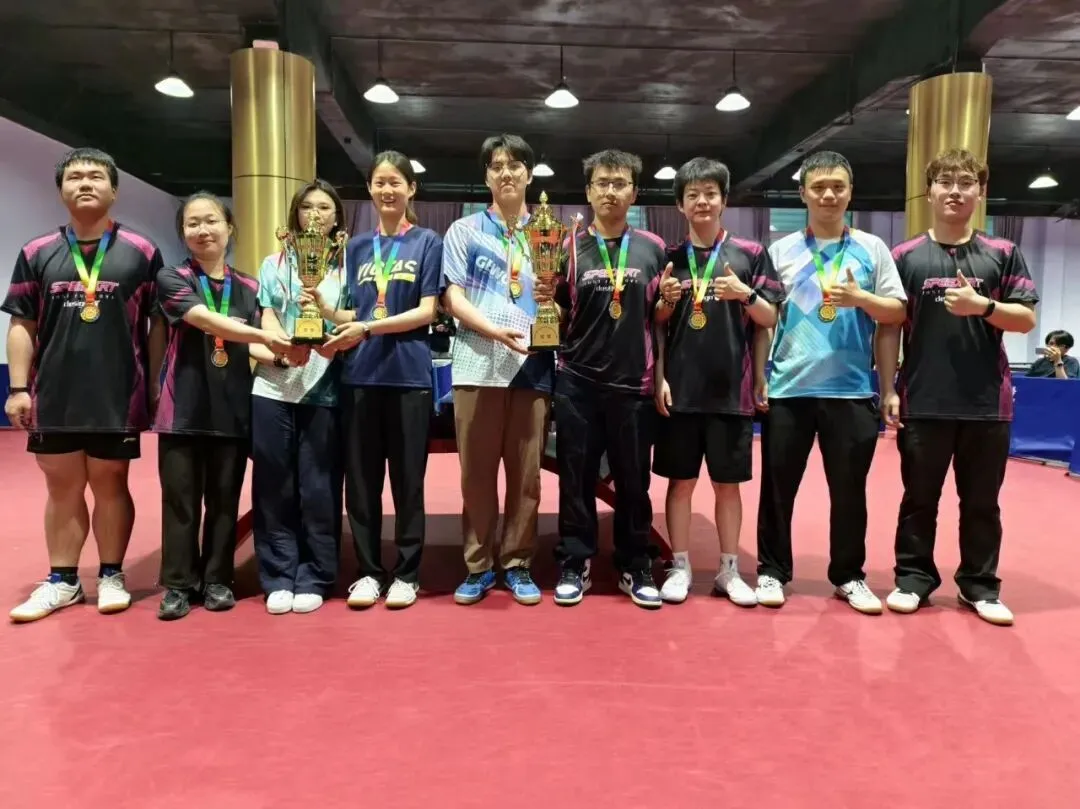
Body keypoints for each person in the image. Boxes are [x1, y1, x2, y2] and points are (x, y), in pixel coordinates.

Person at [876, 147, 1039, 627]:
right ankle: (913, 579)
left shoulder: (1002, 253)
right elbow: (889, 326)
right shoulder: (904, 256)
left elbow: (1026, 318)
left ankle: (979, 586)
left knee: (982, 503)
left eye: (965, 183)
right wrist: (888, 388)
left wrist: (983, 307)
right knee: (918, 500)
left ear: (980, 193)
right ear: (929, 192)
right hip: (923, 399)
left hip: (987, 403)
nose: (954, 191)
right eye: (945, 182)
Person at [4, 147, 165, 623]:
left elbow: (157, 324)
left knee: (111, 483)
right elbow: (22, 323)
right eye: (74, 177)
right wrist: (18, 388)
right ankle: (63, 580)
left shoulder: (141, 251)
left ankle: (112, 574)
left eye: (96, 176)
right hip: (54, 393)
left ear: (114, 190)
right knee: (62, 487)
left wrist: (156, 386)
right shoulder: (36, 252)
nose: (85, 183)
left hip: (119, 392)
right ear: (61, 191)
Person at [754, 150, 906, 614]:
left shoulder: (872, 249)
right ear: (803, 193)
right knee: (777, 490)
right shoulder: (779, 251)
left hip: (852, 390)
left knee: (849, 493)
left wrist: (862, 300)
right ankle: (771, 571)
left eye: (837, 186)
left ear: (850, 192)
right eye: (819, 187)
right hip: (789, 389)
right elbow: (765, 320)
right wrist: (760, 375)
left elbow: (896, 314)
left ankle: (849, 576)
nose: (828, 195)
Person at [539, 148, 681, 609]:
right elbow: (562, 315)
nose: (610, 191)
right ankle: (574, 560)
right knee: (575, 479)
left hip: (633, 383)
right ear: (588, 191)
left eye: (620, 183)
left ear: (634, 193)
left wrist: (669, 301)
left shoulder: (653, 247)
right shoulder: (568, 246)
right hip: (577, 381)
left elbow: (657, 318)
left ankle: (634, 564)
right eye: (602, 183)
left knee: (633, 482)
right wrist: (545, 299)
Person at [154, 193, 292, 620]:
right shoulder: (172, 277)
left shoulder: (249, 287)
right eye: (193, 223)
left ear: (229, 227)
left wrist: (288, 356)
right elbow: (204, 319)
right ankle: (178, 584)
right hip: (182, 410)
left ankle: (217, 579)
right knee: (180, 502)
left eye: (211, 221)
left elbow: (258, 347)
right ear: (183, 232)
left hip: (232, 410)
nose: (203, 230)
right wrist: (265, 337)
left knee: (224, 501)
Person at [652, 157, 784, 606]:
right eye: (693, 194)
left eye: (710, 193)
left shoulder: (750, 254)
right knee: (681, 483)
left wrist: (745, 295)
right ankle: (680, 565)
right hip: (680, 391)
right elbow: (657, 324)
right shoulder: (670, 258)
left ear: (724, 200)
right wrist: (660, 371)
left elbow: (769, 318)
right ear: (680, 204)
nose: (702, 201)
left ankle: (729, 569)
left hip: (732, 391)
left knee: (728, 485)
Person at [314, 150, 441, 610]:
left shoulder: (427, 242)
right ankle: (368, 572)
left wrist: (367, 328)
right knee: (362, 483)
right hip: (360, 377)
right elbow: (357, 312)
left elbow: (427, 311)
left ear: (411, 188)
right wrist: (324, 309)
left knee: (408, 483)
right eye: (379, 182)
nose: (388, 190)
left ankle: (407, 573)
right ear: (370, 189)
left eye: (395, 182)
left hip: (408, 377)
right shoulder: (356, 248)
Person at [440, 134, 555, 606]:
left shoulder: (550, 232)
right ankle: (479, 565)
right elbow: (452, 296)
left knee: (526, 476)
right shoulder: (463, 231)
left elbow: (561, 299)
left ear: (530, 173)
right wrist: (492, 330)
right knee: (477, 474)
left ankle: (518, 562)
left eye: (514, 165)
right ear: (486, 175)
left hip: (531, 363)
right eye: (496, 165)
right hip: (476, 362)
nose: (505, 172)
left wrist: (552, 306)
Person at [252, 180, 348, 615]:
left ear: (337, 216)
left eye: (324, 207)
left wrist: (332, 333)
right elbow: (268, 317)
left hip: (325, 382)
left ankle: (316, 575)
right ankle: (278, 574)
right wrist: (283, 352)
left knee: (319, 485)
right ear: (295, 213)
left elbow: (355, 318)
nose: (315, 214)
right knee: (274, 483)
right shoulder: (273, 263)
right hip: (274, 382)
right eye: (307, 206)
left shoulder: (347, 264)